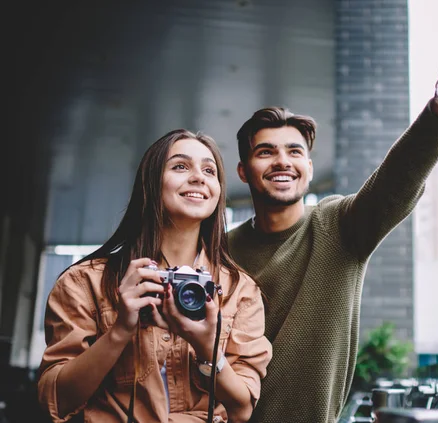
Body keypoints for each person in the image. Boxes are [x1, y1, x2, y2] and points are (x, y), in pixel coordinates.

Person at [227, 4, 438, 423]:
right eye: (265, 152)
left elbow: (396, 182)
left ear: (309, 168)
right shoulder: (221, 250)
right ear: (244, 170)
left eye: (295, 151)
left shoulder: (337, 227)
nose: (282, 161)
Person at [38, 130, 272, 423]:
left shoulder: (240, 290)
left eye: (209, 170)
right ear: (150, 183)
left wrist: (206, 349)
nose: (199, 177)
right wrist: (121, 329)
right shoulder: (85, 281)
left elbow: (242, 410)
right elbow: (55, 402)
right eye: (180, 166)